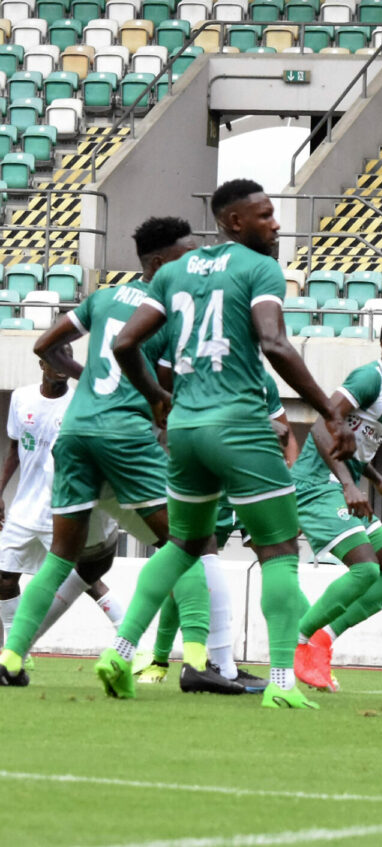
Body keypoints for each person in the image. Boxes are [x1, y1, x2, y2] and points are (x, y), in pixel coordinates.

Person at [95, 178, 356, 709]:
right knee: (280, 550)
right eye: (265, 215)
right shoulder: (260, 268)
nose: (276, 223)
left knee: (182, 545)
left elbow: (126, 343)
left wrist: (159, 400)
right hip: (239, 424)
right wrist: (330, 411)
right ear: (234, 222)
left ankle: (122, 652)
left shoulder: (172, 272)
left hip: (187, 429)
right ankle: (282, 684)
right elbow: (274, 342)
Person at [1, 217, 236, 694]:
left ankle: (9, 658)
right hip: (125, 436)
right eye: (184, 257)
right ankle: (195, 662)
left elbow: (45, 344)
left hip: (76, 432)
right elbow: (166, 389)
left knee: (64, 558)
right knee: (188, 541)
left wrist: (86, 375)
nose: (192, 265)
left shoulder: (103, 298)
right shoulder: (169, 312)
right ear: (156, 264)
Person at [138, 370, 297, 693]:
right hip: (201, 481)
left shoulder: (262, 381)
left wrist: (285, 478)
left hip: (243, 486)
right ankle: (215, 665)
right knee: (192, 561)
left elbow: (286, 435)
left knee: (189, 570)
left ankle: (165, 658)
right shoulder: (192, 372)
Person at [291, 313, 382, 692]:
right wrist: (348, 486)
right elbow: (322, 426)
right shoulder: (369, 379)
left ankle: (322, 640)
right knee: (365, 570)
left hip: (339, 481)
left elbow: (354, 446)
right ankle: (299, 644)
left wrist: (380, 482)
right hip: (316, 483)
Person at [0, 350, 126, 673]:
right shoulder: (21, 398)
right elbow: (15, 449)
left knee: (87, 579)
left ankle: (129, 643)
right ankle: (15, 650)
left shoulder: (79, 404)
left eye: (67, 358)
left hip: (62, 508)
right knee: (4, 578)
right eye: (55, 358)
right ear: (41, 364)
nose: (62, 366)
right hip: (23, 509)